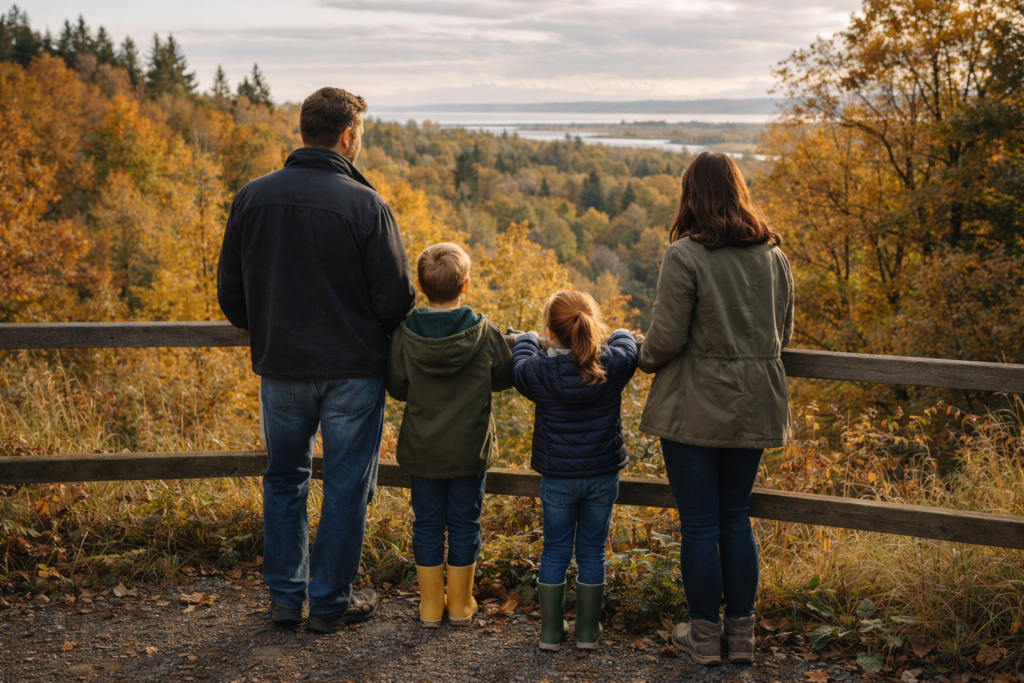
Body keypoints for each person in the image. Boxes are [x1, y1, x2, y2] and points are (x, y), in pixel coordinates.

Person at [217, 87, 416, 634]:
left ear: (305, 131)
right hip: (353, 368)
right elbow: (396, 300)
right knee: (347, 484)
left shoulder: (252, 198)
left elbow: (232, 297)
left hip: (281, 364)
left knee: (285, 478)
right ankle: (329, 602)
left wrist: (274, 325)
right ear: (348, 137)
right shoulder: (366, 204)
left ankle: (285, 599)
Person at [638, 151, 794, 665]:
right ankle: (742, 636)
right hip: (756, 402)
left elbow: (663, 340)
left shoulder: (685, 254)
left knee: (700, 524)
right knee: (735, 518)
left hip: (696, 404)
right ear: (738, 191)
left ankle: (704, 638)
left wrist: (638, 356)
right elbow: (782, 334)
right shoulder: (774, 255)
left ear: (691, 194)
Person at [385, 243, 514, 628]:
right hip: (469, 450)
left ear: (422, 288)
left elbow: (396, 386)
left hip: (422, 449)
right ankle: (459, 605)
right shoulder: (486, 332)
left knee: (426, 523)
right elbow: (505, 377)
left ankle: (429, 606)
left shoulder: (404, 334)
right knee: (464, 522)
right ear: (466, 285)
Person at [511, 291, 640, 651]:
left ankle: (551, 633)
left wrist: (524, 339)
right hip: (602, 473)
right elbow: (626, 347)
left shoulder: (538, 371)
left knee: (554, 550)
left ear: (550, 333)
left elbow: (519, 363)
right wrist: (622, 331)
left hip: (557, 476)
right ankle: (587, 632)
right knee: (592, 551)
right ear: (592, 325)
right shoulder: (611, 365)